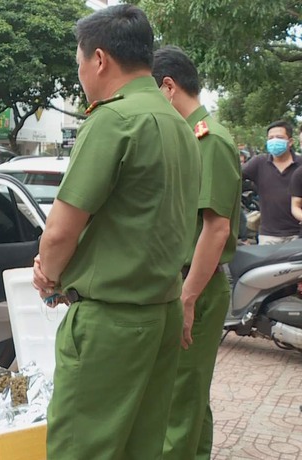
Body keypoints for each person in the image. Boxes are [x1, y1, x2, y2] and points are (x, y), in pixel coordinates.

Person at [32, 5, 201, 459]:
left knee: (80, 449)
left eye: (80, 63)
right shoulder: (181, 127)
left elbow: (60, 232)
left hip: (111, 323)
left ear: (100, 60)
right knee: (141, 447)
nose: (82, 74)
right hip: (160, 312)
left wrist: (47, 276)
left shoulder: (113, 120)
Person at [152, 45, 241, 460]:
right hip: (185, 281)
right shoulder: (188, 138)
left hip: (198, 286)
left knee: (179, 397)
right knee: (189, 393)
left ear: (168, 88)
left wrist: (187, 297)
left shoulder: (211, 141)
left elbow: (216, 228)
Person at [242, 120, 300, 244]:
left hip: (298, 234)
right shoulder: (258, 162)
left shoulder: (300, 164)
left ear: (290, 142)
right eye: (270, 138)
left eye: (279, 137)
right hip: (269, 235)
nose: (274, 141)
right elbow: (235, 176)